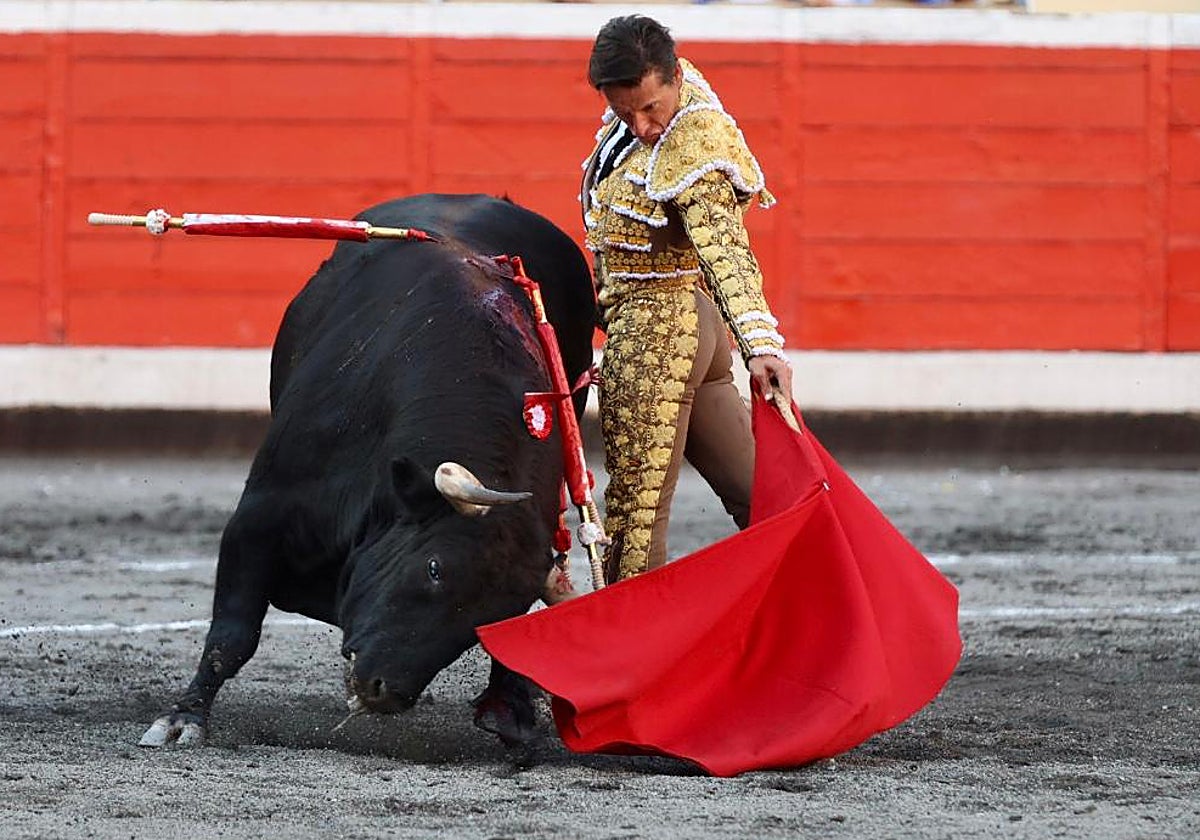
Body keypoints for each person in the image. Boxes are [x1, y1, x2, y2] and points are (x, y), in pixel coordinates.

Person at [581, 14, 793, 584]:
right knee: (765, 499)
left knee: (635, 519)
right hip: (689, 331)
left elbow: (725, 252)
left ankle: (632, 660)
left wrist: (761, 346)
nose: (644, 126)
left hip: (657, 333)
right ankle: (821, 612)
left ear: (673, 76)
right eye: (627, 113)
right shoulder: (653, 107)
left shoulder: (695, 144)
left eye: (651, 107)